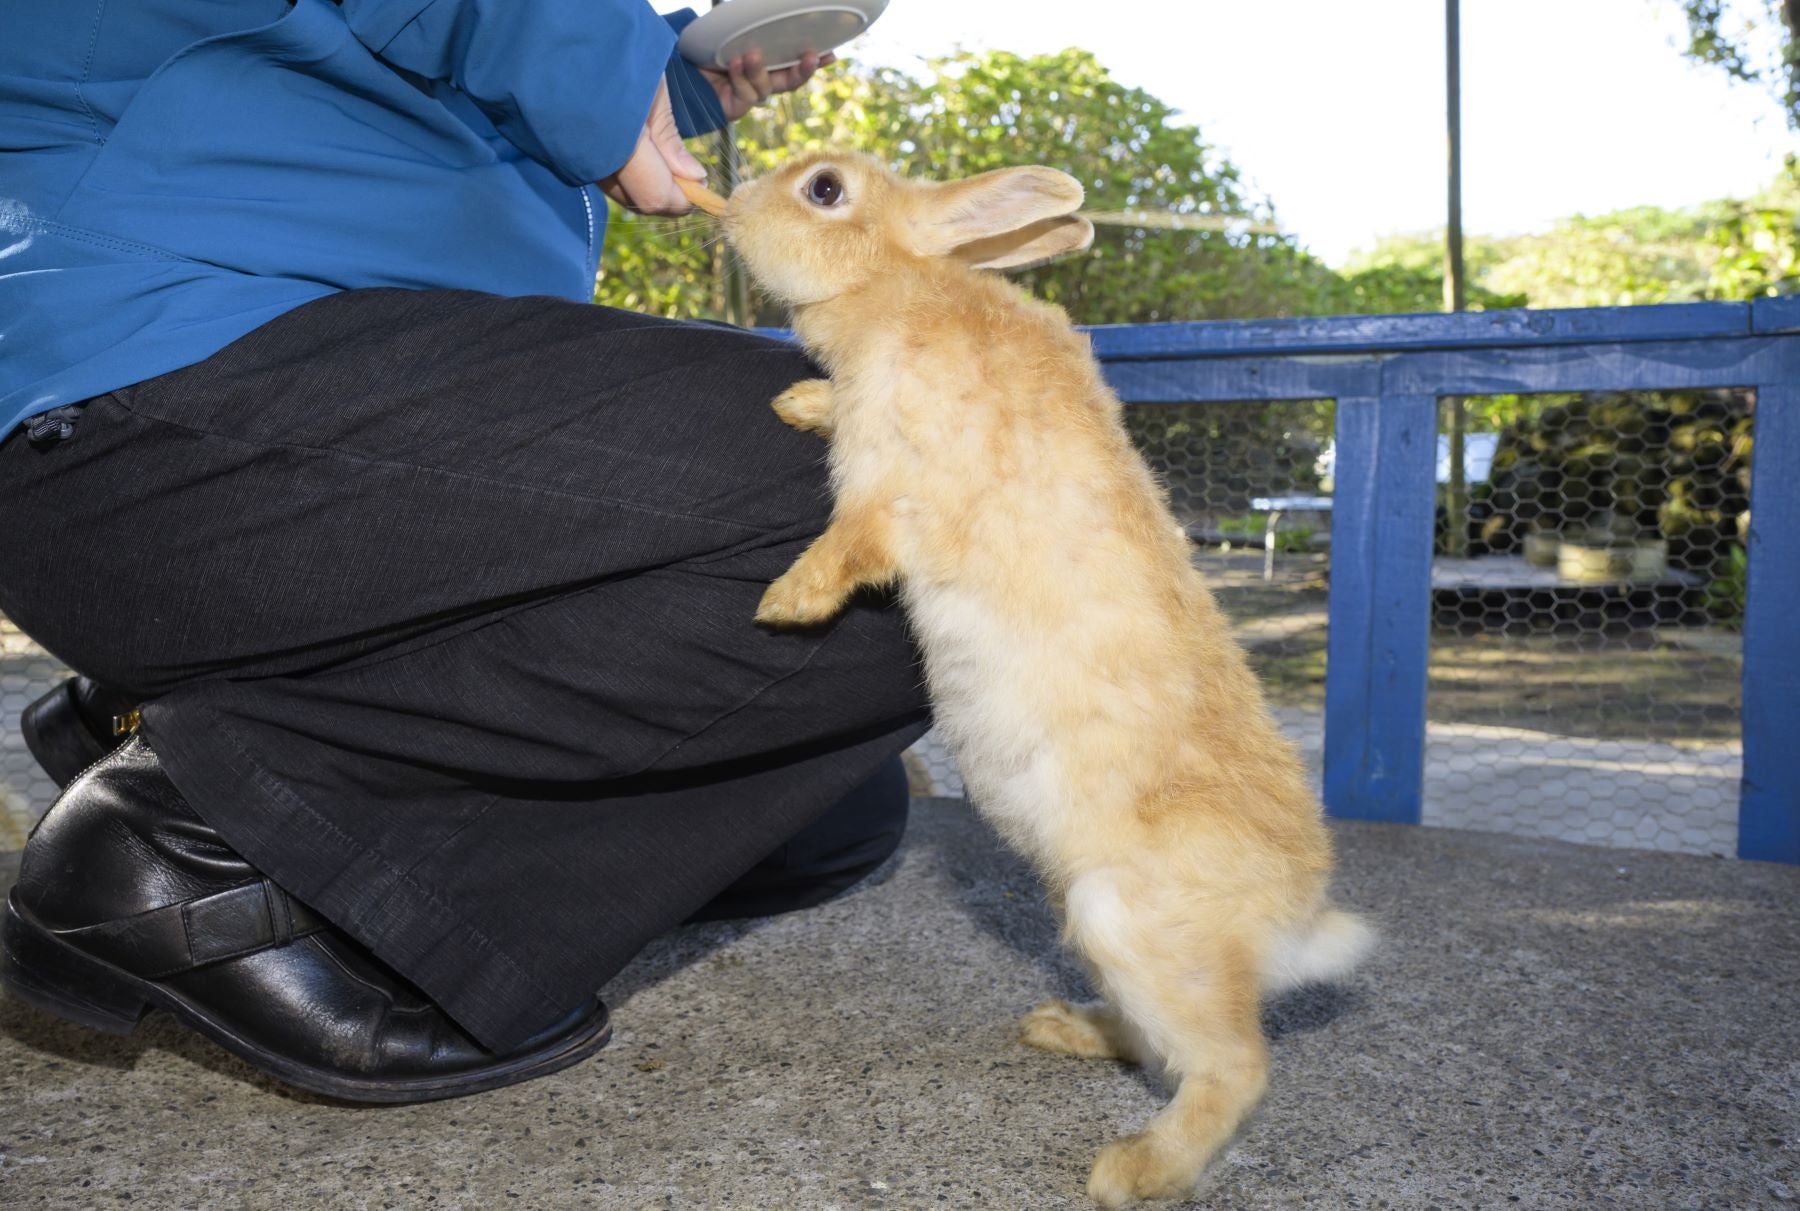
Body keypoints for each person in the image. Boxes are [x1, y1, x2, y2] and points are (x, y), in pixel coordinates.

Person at [0, 0, 929, 1101]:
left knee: (824, 811)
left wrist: (667, 83)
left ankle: (216, 719)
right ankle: (193, 846)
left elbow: (430, 73)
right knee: (940, 492)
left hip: (257, 428)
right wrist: (586, 47)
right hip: (144, 375)